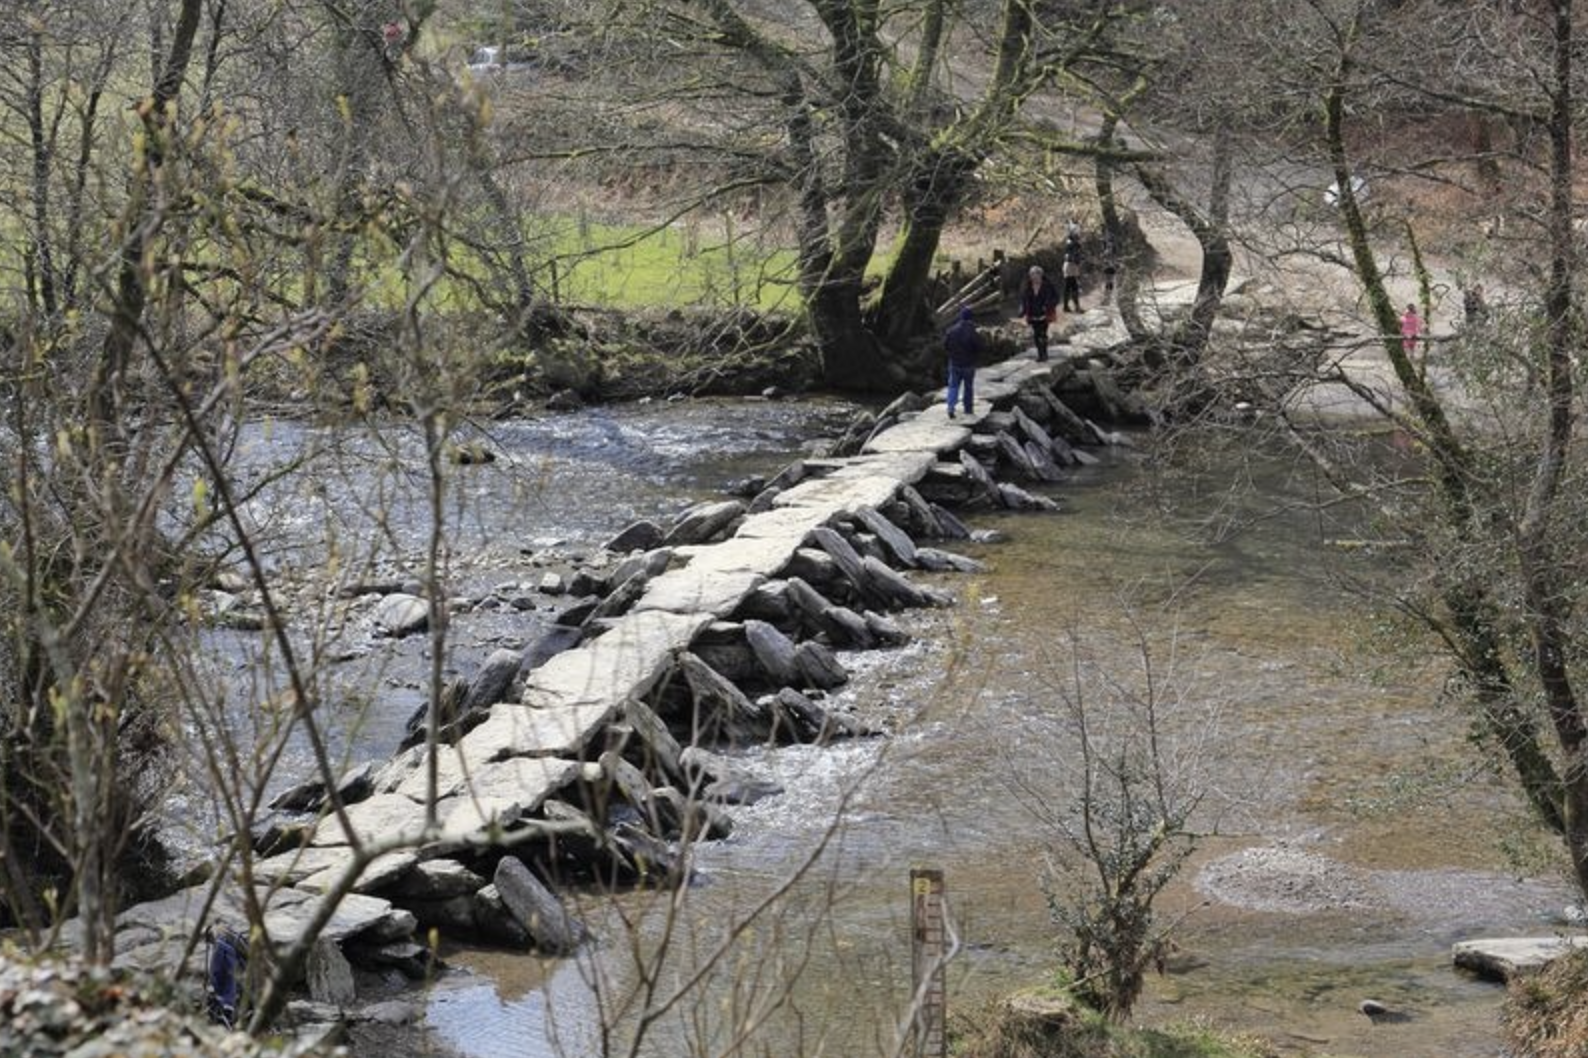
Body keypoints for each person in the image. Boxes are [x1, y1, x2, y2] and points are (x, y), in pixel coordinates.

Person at [943, 305, 982, 419]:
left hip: (955, 363)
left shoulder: (952, 330)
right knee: (968, 387)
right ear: (971, 318)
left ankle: (950, 408)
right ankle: (968, 409)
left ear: (961, 317)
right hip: (969, 365)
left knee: (953, 386)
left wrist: (951, 355)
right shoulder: (973, 332)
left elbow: (945, 345)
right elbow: (980, 347)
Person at [1017, 265, 1060, 362]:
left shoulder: (1048, 285)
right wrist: (1022, 312)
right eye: (1032, 274)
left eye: (1036, 274)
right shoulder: (1027, 286)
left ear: (1041, 275)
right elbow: (1023, 300)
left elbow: (1056, 298)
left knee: (1043, 334)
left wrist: (1049, 305)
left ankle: (1043, 354)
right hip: (1032, 314)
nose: (1034, 277)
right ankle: (1041, 354)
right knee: (1036, 335)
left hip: (1044, 314)